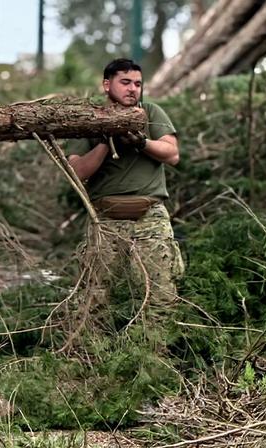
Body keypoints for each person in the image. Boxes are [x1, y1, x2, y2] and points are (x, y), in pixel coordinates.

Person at [67, 58, 184, 323]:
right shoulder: (87, 120)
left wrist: (141, 142)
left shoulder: (150, 112)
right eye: (125, 82)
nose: (133, 89)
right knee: (94, 296)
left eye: (138, 84)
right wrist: (107, 141)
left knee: (161, 293)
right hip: (106, 221)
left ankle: (154, 354)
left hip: (149, 219)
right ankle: (89, 355)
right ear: (107, 85)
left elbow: (172, 154)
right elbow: (77, 172)